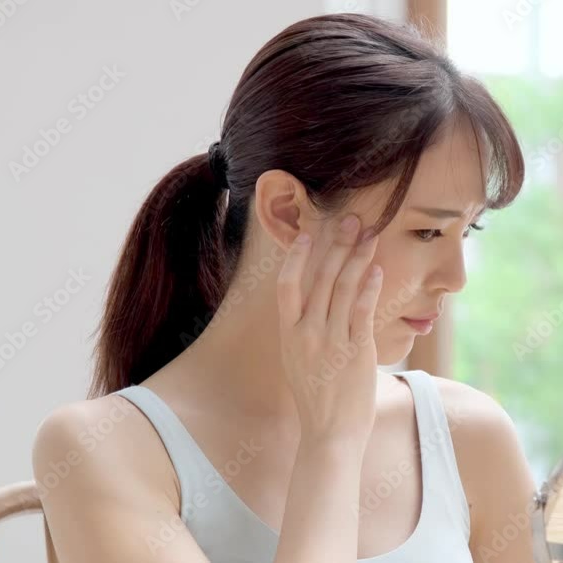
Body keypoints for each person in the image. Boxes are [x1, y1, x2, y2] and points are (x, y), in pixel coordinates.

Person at [30, 12, 536, 563]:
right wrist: (332, 442)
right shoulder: (101, 451)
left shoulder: (468, 436)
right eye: (427, 232)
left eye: (468, 230)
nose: (455, 278)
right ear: (287, 212)